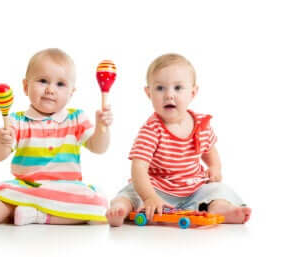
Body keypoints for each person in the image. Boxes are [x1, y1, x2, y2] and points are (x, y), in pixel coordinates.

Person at [0, 48, 113, 230]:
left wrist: (102, 128)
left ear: (71, 92)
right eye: (43, 81)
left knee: (99, 205)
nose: (50, 89)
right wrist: (1, 141)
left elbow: (99, 147)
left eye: (60, 84)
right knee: (4, 193)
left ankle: (37, 215)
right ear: (25, 86)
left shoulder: (76, 118)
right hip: (27, 186)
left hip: (66, 189)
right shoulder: (17, 121)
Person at [106, 53, 251, 227]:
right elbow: (139, 167)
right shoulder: (152, 129)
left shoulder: (200, 124)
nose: (169, 95)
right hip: (158, 188)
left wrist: (214, 167)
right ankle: (119, 209)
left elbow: (209, 150)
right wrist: (150, 196)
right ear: (148, 93)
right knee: (131, 193)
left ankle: (221, 208)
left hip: (193, 188)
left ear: (193, 92)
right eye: (160, 88)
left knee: (218, 190)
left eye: (178, 88)